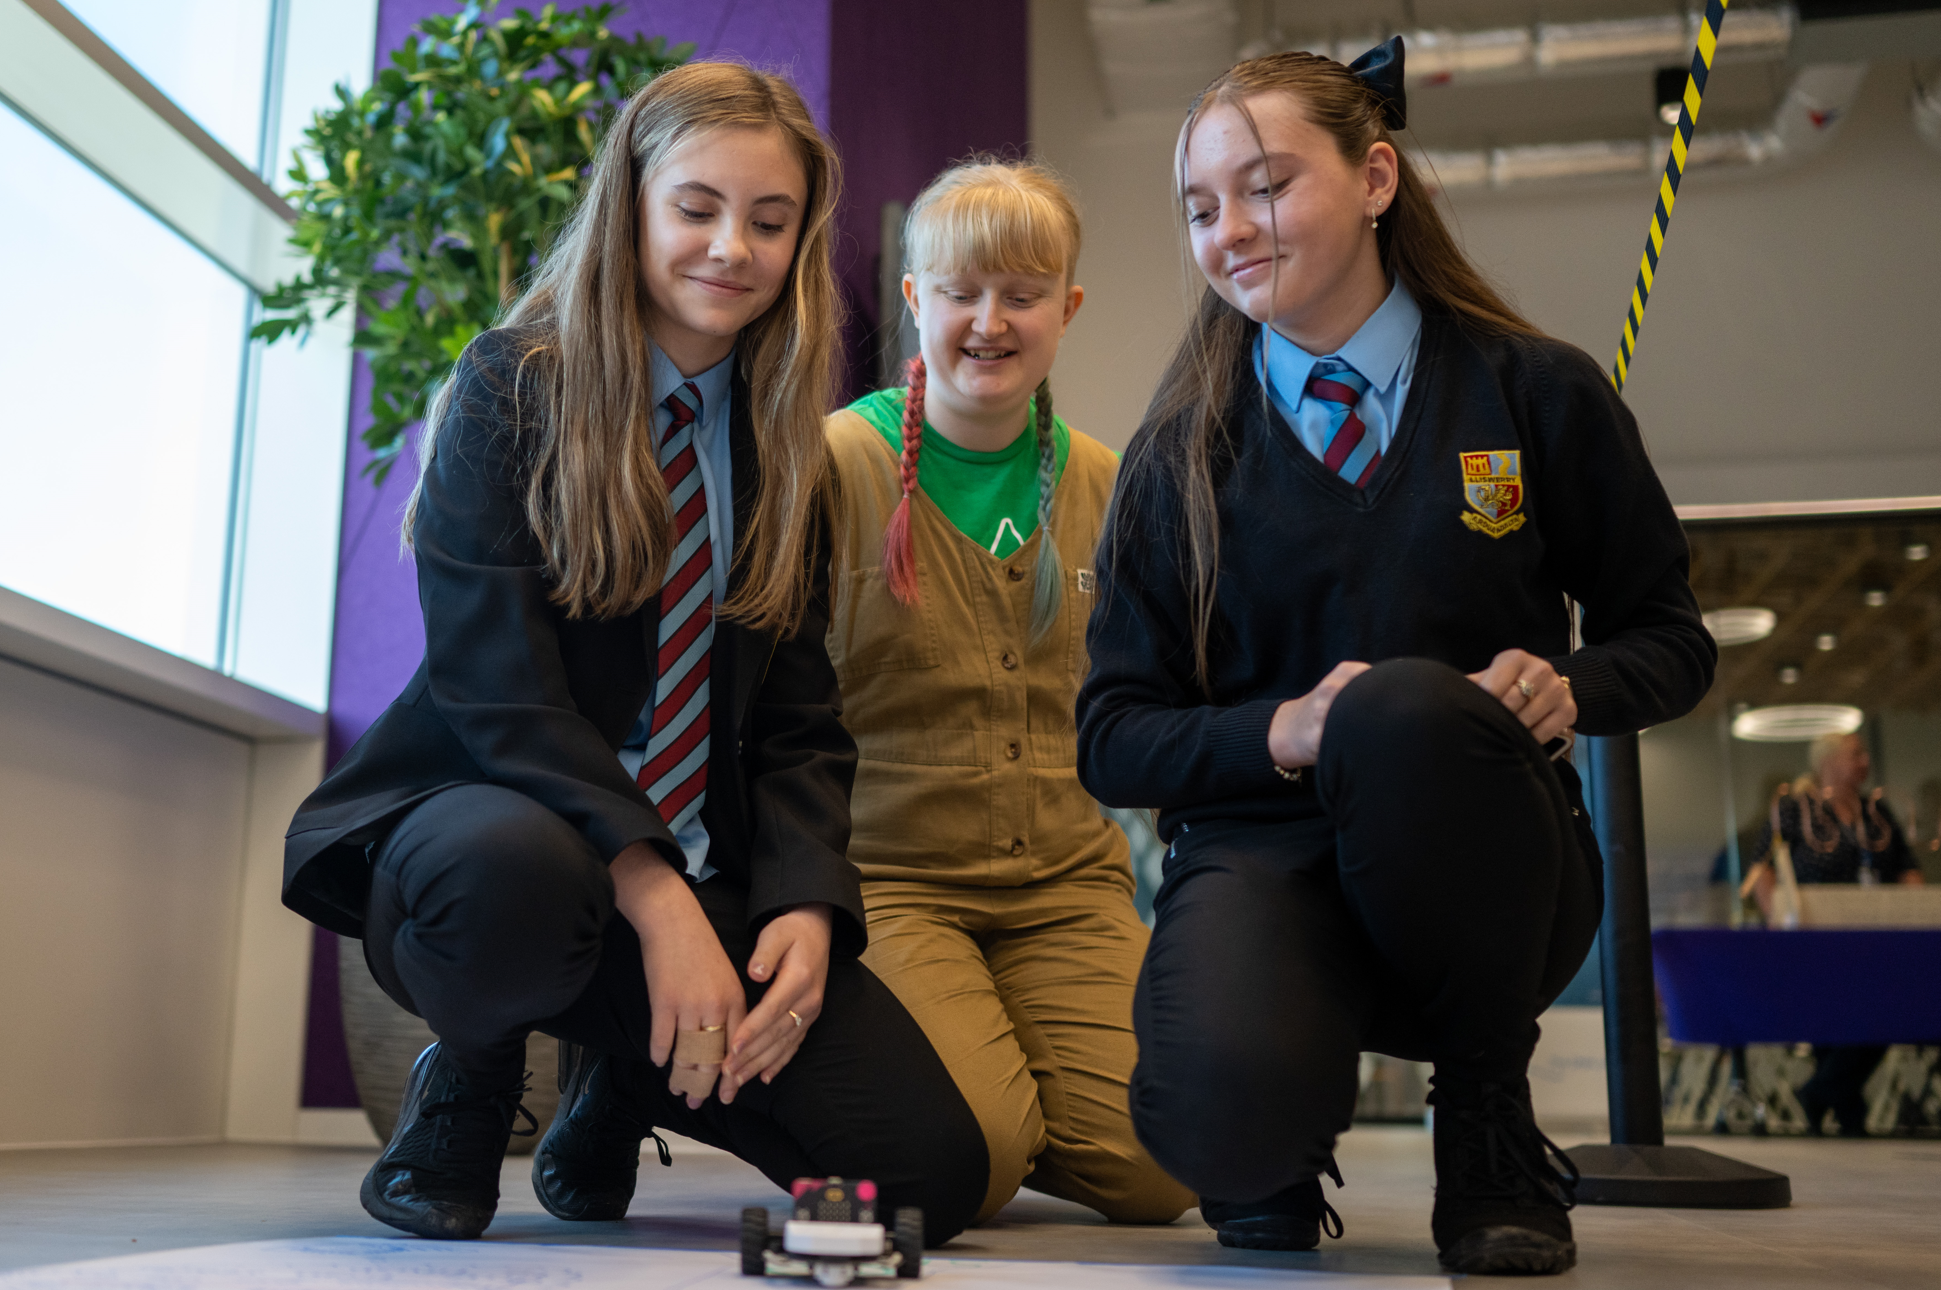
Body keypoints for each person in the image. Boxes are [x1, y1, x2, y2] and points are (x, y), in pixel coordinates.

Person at [281, 63, 986, 1243]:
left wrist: (806, 910)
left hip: (701, 871)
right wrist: (664, 905)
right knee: (515, 875)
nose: (732, 247)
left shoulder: (788, 454)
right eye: (697, 208)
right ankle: (472, 1074)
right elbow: (500, 695)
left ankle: (624, 1067)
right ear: (634, 208)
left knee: (928, 1179)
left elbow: (804, 724)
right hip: (494, 837)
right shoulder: (512, 388)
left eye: (770, 222)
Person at [1075, 38, 1715, 1277]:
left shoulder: (1537, 394)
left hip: (1492, 873)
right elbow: (1112, 737)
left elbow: (1672, 642)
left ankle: (1485, 1113)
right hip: (1264, 854)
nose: (1230, 231)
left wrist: (1568, 688)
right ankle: (1279, 1119)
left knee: (1407, 715)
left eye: (1265, 186)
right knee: (1221, 1131)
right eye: (1200, 207)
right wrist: (1283, 731)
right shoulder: (1174, 458)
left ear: (1376, 178)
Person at [821, 159, 1194, 1227]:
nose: (990, 321)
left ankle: (1021, 1079)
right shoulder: (830, 466)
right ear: (914, 300)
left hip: (1068, 888)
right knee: (970, 1166)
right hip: (890, 886)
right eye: (960, 292)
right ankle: (996, 1106)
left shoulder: (1111, 486)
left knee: (1166, 1171)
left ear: (1066, 310)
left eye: (1023, 295)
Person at [1743, 731, 1924, 1135]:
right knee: (1835, 1018)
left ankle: (1823, 1094)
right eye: (1855, 753)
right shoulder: (1795, 807)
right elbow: (1762, 869)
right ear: (1828, 762)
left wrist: (1916, 915)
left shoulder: (1876, 811)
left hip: (1875, 938)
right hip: (1816, 938)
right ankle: (1845, 1110)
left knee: (1883, 1013)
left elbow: (1906, 867)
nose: (1864, 761)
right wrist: (1781, 922)